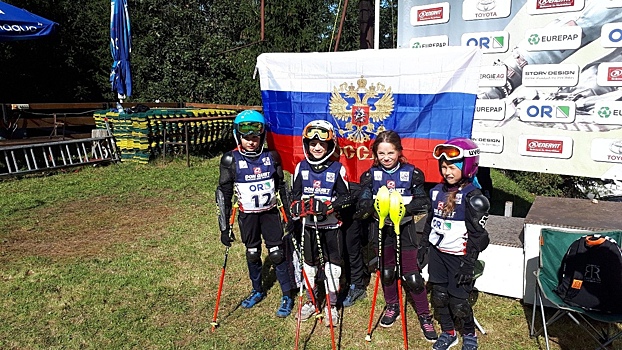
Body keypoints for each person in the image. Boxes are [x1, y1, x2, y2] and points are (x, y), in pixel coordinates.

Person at [354, 130, 438, 342]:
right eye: (381, 153)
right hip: (381, 229)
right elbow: (363, 202)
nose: (386, 157)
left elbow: (423, 202)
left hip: (405, 228)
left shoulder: (412, 173)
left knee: (412, 276)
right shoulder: (370, 175)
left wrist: (402, 209)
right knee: (387, 271)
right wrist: (372, 209)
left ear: (399, 151)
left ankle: (424, 315)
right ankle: (392, 305)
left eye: (391, 152)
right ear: (375, 154)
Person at [215, 110, 295, 318]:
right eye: (246, 137)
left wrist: (290, 216)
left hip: (269, 214)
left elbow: (282, 188)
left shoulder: (271, 157)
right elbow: (223, 193)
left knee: (277, 253)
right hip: (248, 216)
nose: (251, 142)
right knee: (252, 252)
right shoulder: (230, 160)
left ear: (262, 136)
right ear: (238, 136)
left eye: (255, 137)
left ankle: (287, 294)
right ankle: (257, 289)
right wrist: (224, 228)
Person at [420, 137, 490, 350]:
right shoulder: (435, 192)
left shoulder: (474, 197)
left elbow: (479, 237)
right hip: (438, 254)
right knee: (439, 297)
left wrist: (469, 264)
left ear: (467, 167)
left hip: (459, 257)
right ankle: (449, 333)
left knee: (459, 302)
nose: (447, 172)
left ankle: (469, 333)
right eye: (443, 167)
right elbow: (430, 223)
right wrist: (423, 248)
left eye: (452, 167)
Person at [289, 120, 355, 327]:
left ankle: (331, 305)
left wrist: (328, 206)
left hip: (331, 227)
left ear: (330, 145)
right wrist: (296, 207)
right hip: (308, 227)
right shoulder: (301, 167)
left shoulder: (338, 169)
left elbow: (346, 198)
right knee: (309, 267)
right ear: (305, 144)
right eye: (312, 143)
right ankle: (311, 301)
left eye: (322, 144)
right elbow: (294, 195)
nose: (317, 148)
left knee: (332, 268)